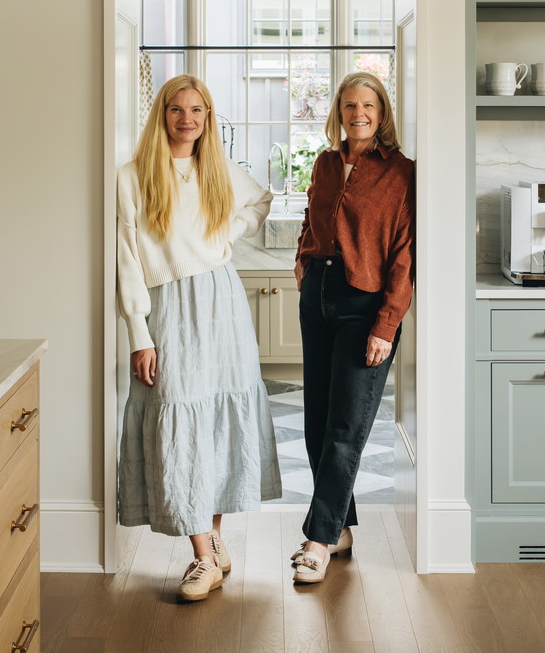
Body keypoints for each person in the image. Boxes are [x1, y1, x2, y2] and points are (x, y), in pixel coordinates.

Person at [116, 74, 282, 602]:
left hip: (222, 303)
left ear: (207, 118)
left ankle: (209, 547)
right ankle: (201, 555)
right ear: (161, 114)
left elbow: (260, 202)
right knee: (180, 414)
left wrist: (223, 235)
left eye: (197, 110)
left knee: (213, 418)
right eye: (176, 109)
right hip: (168, 306)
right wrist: (140, 335)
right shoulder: (131, 177)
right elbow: (125, 261)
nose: (186, 119)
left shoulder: (217, 171)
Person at [291, 71, 414, 583]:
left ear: (381, 114)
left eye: (367, 105)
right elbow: (311, 218)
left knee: (346, 426)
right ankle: (338, 527)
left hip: (365, 304)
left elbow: (406, 254)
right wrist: (301, 257)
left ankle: (318, 541)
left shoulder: (402, 173)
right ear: (338, 112)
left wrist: (387, 324)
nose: (357, 113)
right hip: (316, 296)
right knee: (316, 422)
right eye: (348, 105)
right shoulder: (324, 163)